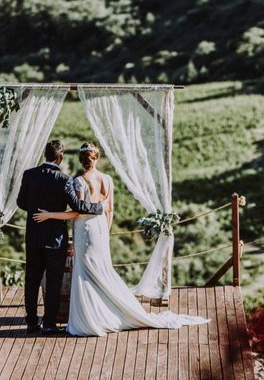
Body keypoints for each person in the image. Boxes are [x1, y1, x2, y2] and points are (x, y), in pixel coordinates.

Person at [32, 142, 208, 336]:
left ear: (81, 160)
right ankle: (108, 313)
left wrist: (50, 214)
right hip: (100, 229)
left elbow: (77, 212)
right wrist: (105, 232)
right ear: (96, 158)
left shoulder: (78, 181)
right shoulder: (107, 180)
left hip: (85, 230)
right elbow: (110, 209)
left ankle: (90, 319)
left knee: (85, 273)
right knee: (102, 270)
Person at [17, 139, 105, 335]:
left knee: (31, 279)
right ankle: (49, 324)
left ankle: (31, 322)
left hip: (33, 237)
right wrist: (100, 207)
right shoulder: (64, 180)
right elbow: (78, 207)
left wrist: (36, 210)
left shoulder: (29, 175)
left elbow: (21, 202)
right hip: (55, 239)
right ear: (61, 157)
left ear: (45, 155)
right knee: (54, 281)